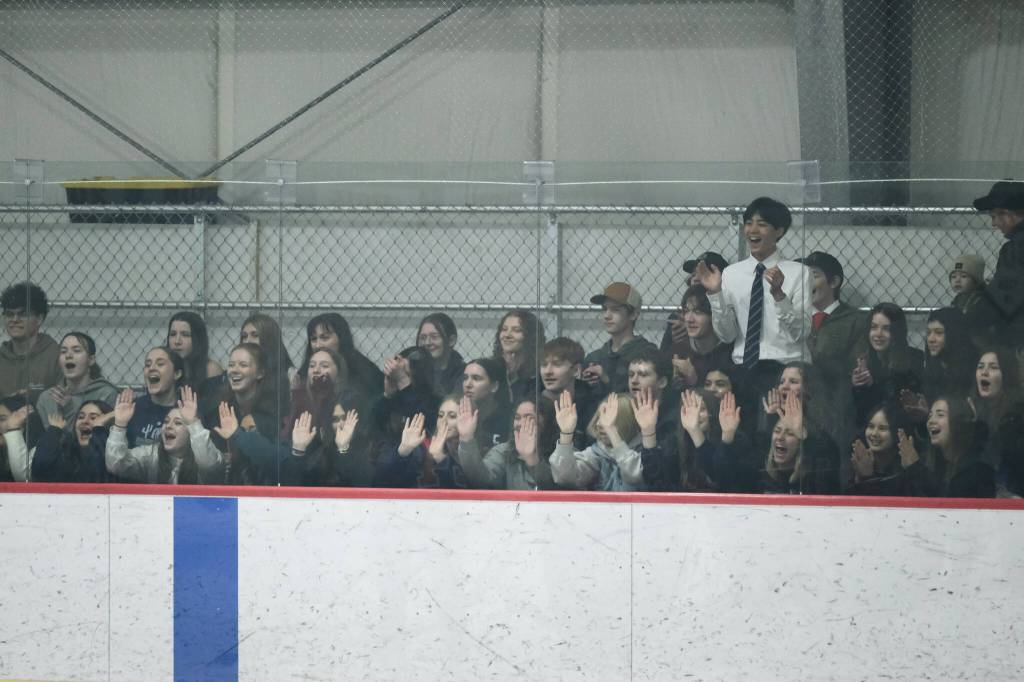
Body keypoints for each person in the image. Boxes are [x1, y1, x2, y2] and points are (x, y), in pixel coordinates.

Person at [694, 197, 813, 427]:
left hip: (784, 371)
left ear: (779, 231)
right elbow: (727, 336)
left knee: (781, 435)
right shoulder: (730, 274)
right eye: (748, 223)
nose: (752, 230)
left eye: (762, 224)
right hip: (743, 370)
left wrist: (779, 294)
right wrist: (715, 293)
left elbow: (801, 333)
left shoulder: (799, 273)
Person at [106, 386, 224, 484]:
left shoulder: (209, 455)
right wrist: (120, 425)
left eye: (178, 423)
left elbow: (206, 463)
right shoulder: (151, 455)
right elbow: (115, 464)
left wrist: (193, 423)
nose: (169, 426)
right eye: (166, 421)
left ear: (191, 432)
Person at [897, 396, 995, 498]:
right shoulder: (943, 465)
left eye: (940, 415)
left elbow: (950, 501)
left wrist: (915, 467)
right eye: (930, 416)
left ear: (959, 423)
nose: (930, 421)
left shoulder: (978, 472)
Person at [454, 395, 558, 490]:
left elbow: (557, 490)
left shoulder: (561, 452)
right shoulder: (503, 451)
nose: (519, 424)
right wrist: (466, 438)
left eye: (528, 418)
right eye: (517, 418)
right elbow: (480, 479)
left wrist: (532, 459)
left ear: (546, 423)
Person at [797, 251, 868, 390]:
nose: (805, 283)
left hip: (836, 398)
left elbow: (856, 367)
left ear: (834, 282)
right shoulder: (793, 317)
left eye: (813, 276)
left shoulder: (856, 320)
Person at [550, 391, 645, 491]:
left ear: (626, 421)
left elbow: (634, 475)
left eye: (608, 417)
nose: (599, 424)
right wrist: (566, 434)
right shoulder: (598, 453)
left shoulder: (644, 453)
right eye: (599, 417)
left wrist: (612, 431)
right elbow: (565, 477)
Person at [850, 303, 925, 428]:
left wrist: (872, 385)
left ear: (897, 332)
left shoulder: (913, 359)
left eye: (886, 329)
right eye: (873, 327)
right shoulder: (862, 360)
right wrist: (857, 386)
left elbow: (898, 406)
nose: (878, 334)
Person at [973, 181, 1024, 350]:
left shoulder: (1016, 249)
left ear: (1008, 214)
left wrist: (969, 321)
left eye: (995, 216)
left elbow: (1004, 296)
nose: (994, 224)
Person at [758, 390, 840, 495]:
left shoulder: (812, 477)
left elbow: (828, 451)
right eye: (777, 431)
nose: (780, 437)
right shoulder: (762, 474)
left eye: (790, 433)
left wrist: (805, 436)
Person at [583, 282, 657, 393]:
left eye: (615, 310)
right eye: (604, 309)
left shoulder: (647, 354)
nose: (607, 316)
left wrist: (606, 380)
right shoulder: (595, 358)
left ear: (633, 314)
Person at [677, 389, 757, 493]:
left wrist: (726, 437)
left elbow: (722, 481)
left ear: (711, 412)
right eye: (689, 410)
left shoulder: (737, 440)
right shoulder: (673, 445)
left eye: (701, 409)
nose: (696, 416)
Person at [34, 332, 118, 428]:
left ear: (91, 360)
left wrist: (69, 408)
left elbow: (102, 437)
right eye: (63, 351)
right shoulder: (47, 398)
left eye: (77, 350)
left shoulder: (106, 394)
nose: (68, 355)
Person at [970, 347, 1024, 496]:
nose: (984, 372)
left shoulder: (1017, 417)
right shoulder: (969, 411)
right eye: (980, 367)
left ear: (1006, 375)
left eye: (993, 367)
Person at [659, 283, 733, 392]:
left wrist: (693, 380)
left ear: (713, 316)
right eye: (686, 311)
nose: (689, 319)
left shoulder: (729, 354)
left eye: (698, 312)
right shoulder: (679, 351)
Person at [287, 396, 369, 487]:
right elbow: (299, 486)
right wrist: (298, 450)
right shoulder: (321, 456)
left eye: (345, 418)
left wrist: (343, 449)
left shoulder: (366, 452)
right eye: (336, 419)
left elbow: (360, 486)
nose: (340, 423)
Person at [299, 313, 384, 401]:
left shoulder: (363, 369)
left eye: (325, 338)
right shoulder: (306, 370)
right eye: (313, 339)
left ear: (341, 338)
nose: (318, 345)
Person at [0, 281, 61, 402]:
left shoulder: (56, 356)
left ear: (39, 318)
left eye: (22, 314)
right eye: (9, 314)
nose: (15, 320)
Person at [29, 400, 114, 483]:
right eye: (80, 417)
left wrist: (98, 429)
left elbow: (96, 475)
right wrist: (53, 432)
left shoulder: (116, 459)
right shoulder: (66, 453)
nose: (85, 421)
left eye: (93, 418)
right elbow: (39, 471)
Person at [538, 337, 601, 448]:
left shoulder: (592, 404)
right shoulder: (533, 403)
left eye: (557, 364)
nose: (548, 371)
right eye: (544, 365)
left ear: (576, 370)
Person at [846, 402, 913, 496]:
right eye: (870, 426)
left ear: (896, 433)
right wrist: (860, 478)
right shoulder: (859, 463)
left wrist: (868, 479)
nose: (874, 433)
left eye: (882, 428)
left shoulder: (905, 469)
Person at [125, 347, 184, 447]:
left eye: (160, 364)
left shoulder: (186, 410)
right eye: (148, 365)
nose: (151, 368)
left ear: (177, 374)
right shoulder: (134, 408)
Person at [922, 307, 976, 402]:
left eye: (938, 333)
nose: (931, 339)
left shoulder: (974, 370)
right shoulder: (934, 368)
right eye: (928, 332)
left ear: (954, 335)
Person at [492, 309, 545, 402]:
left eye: (516, 330)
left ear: (530, 336)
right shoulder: (492, 366)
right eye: (504, 329)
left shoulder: (540, 371)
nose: (507, 335)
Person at [947, 255, 999, 347]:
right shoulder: (957, 300)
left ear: (976, 280)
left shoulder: (982, 300)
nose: (957, 280)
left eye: (963, 276)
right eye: (953, 277)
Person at [460, 357, 512, 448]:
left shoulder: (508, 419)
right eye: (465, 378)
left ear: (494, 386)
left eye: (476, 378)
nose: (468, 384)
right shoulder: (458, 413)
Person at [166, 311, 223, 390]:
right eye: (173, 334)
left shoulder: (210, 370)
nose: (177, 341)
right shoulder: (163, 368)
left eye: (185, 335)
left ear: (198, 339)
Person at [416, 313, 465, 397]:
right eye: (423, 338)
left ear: (451, 340)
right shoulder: (413, 368)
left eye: (434, 337)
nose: (427, 343)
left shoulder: (462, 372)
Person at [1, 395, 45, 481]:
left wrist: (13, 429)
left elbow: (24, 480)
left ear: (24, 422)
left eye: (2, 419)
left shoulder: (41, 449)